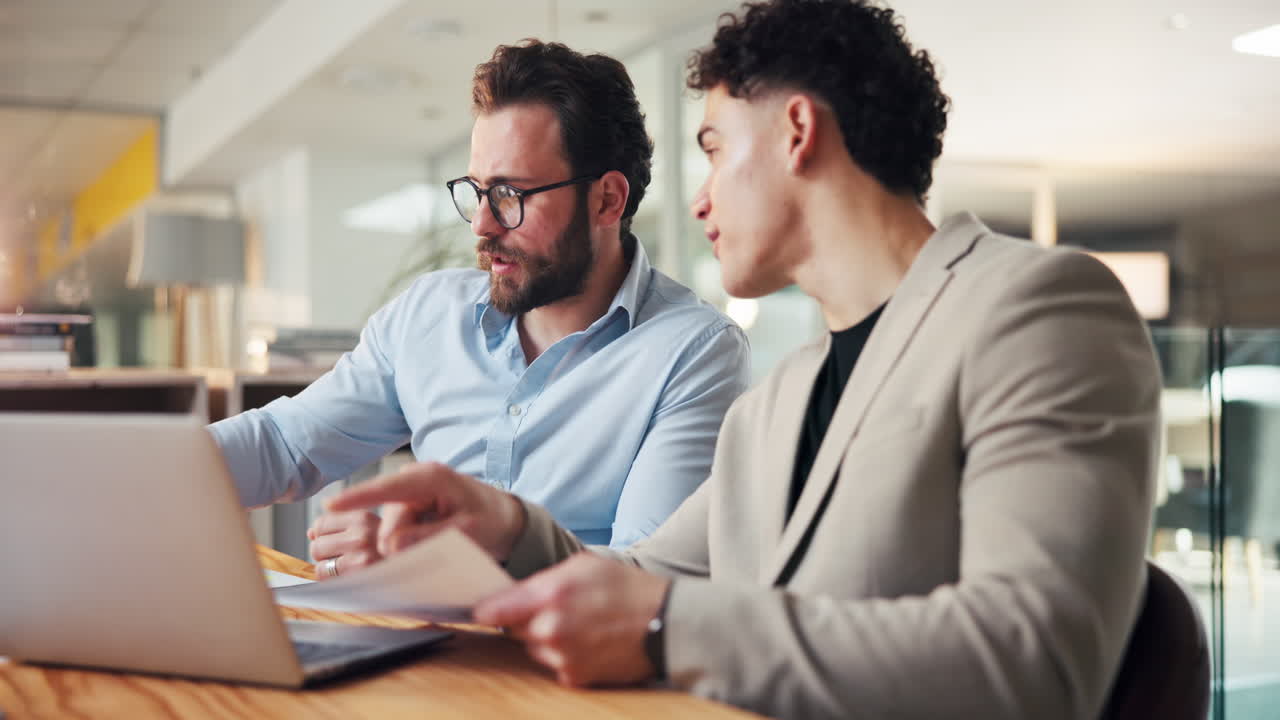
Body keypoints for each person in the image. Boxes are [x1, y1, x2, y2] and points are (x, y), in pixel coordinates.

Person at [326, 1, 1162, 718]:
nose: (700, 199)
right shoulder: (781, 397)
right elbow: (647, 576)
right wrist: (506, 529)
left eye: (716, 149)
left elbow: (1035, 658)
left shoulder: (1040, 307)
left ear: (798, 131)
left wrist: (668, 629)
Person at [210, 40, 750, 577]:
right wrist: (165, 466)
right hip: (405, 626)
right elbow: (285, 445)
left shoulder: (694, 352)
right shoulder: (427, 315)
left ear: (607, 199)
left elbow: (650, 578)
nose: (482, 224)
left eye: (511, 194)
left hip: (556, 636)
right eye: (477, 190)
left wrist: (430, 559)